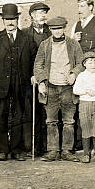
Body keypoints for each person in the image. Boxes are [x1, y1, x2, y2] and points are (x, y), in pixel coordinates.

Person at [0, 3, 38, 161]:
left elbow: (34, 61)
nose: (10, 22)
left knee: (19, 117)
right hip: (1, 86)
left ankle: (16, 149)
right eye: (7, 19)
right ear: (2, 20)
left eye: (13, 19)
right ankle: (3, 150)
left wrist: (34, 76)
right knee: (1, 117)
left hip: (21, 85)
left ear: (18, 19)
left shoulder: (27, 39)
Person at [35, 16, 84, 162]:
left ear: (64, 29)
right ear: (50, 29)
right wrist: (42, 81)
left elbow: (82, 63)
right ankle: (53, 151)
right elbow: (38, 65)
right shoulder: (44, 45)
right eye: (54, 29)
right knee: (51, 120)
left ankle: (67, 150)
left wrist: (74, 74)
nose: (57, 32)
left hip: (68, 87)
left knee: (69, 120)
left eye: (60, 28)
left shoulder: (73, 44)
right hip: (51, 87)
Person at [23, 2, 52, 157]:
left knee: (49, 113)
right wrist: (31, 75)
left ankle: (49, 147)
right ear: (32, 16)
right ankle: (33, 147)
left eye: (44, 13)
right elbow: (25, 59)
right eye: (39, 13)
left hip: (50, 79)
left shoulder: (51, 32)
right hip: (32, 80)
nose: (43, 16)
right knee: (33, 113)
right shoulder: (25, 34)